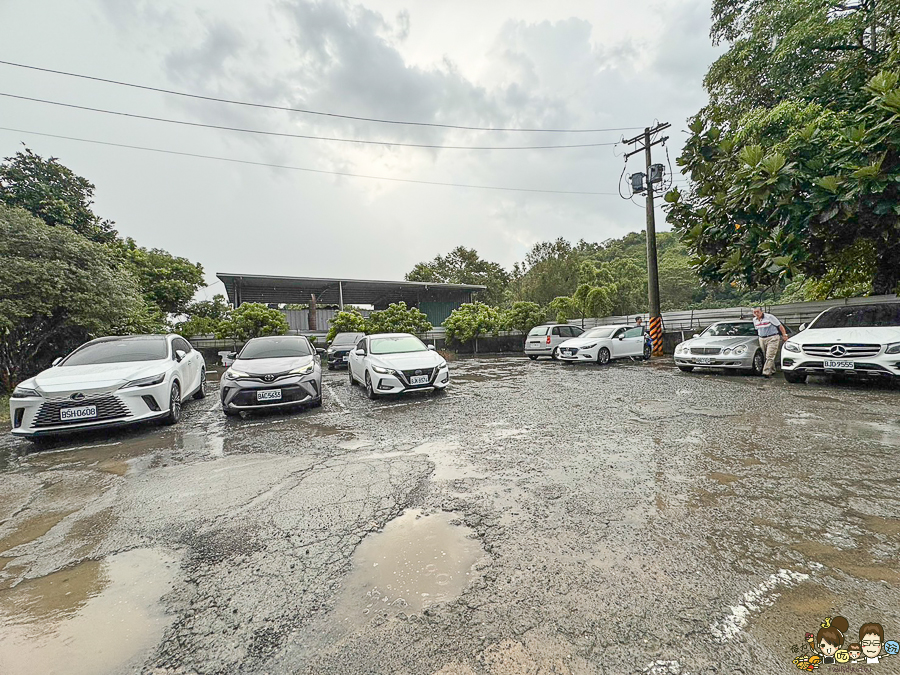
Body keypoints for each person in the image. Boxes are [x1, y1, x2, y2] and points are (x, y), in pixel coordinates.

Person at [751, 307, 788, 377]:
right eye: (754, 312)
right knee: (766, 355)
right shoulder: (754, 320)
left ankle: (766, 372)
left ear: (761, 311)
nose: (756, 314)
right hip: (762, 338)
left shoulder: (769, 317)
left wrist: (784, 335)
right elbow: (758, 329)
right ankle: (772, 370)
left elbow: (780, 326)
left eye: (758, 312)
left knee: (770, 355)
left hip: (772, 337)